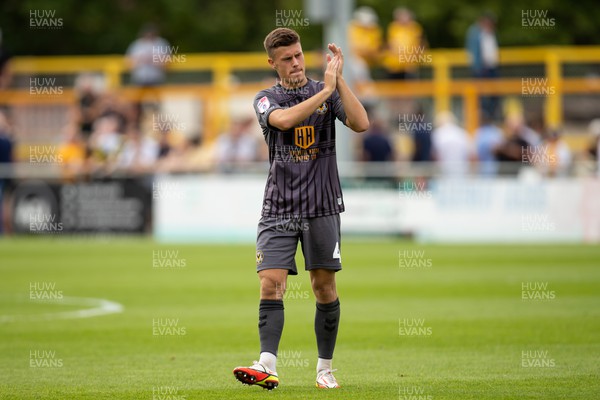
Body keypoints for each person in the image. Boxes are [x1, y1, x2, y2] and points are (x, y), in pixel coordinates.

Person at [233, 27, 369, 391]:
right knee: (270, 283)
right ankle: (266, 365)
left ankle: (324, 369)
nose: (295, 63)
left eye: (298, 56)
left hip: (322, 204)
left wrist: (337, 82)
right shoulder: (266, 98)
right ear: (272, 63)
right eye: (286, 59)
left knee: (323, 287)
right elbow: (284, 121)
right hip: (279, 206)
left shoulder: (325, 90)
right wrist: (325, 90)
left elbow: (361, 123)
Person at [466, 12, 499, 119]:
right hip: (481, 69)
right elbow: (474, 52)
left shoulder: (489, 33)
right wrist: (478, 67)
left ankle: (490, 116)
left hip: (491, 68)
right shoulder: (475, 32)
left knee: (494, 94)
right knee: (481, 97)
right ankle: (482, 117)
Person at [383, 7, 427, 80]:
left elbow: (420, 44)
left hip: (409, 65)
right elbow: (391, 45)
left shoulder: (415, 28)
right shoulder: (393, 27)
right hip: (394, 65)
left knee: (410, 88)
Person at [431, 111, 472, 177]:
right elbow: (471, 155)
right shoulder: (462, 133)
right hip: (462, 171)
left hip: (443, 172)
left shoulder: (438, 134)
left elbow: (435, 155)